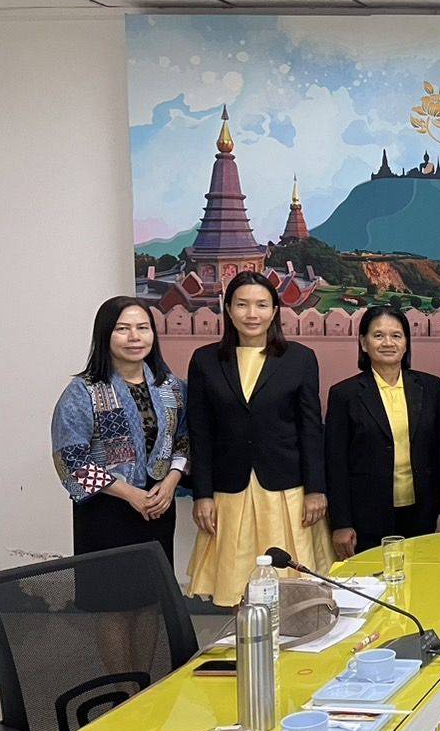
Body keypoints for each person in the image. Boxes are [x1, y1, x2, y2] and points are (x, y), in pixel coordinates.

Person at [52, 297, 189, 669]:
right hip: (106, 513)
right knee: (113, 607)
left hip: (157, 507)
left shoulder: (171, 387)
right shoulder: (83, 391)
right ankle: (122, 690)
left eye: (142, 328)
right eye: (123, 329)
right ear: (105, 335)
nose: (134, 337)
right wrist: (130, 494)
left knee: (149, 603)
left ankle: (142, 685)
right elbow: (71, 459)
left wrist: (171, 481)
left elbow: (183, 441)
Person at [186, 271, 331, 607]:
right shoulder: (205, 360)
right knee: (236, 584)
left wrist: (316, 489)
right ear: (228, 309)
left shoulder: (300, 358)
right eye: (242, 305)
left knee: (292, 590)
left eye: (262, 305)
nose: (252, 314)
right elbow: (200, 433)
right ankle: (246, 640)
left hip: (287, 490)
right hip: (230, 490)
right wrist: (202, 494)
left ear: (275, 310)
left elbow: (311, 429)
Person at [325, 305, 440, 559]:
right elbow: (335, 463)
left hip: (424, 513)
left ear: (406, 343)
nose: (388, 343)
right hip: (367, 517)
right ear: (364, 343)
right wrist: (341, 522)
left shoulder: (430, 388)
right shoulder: (344, 395)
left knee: (425, 576)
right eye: (378, 335)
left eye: (396, 335)